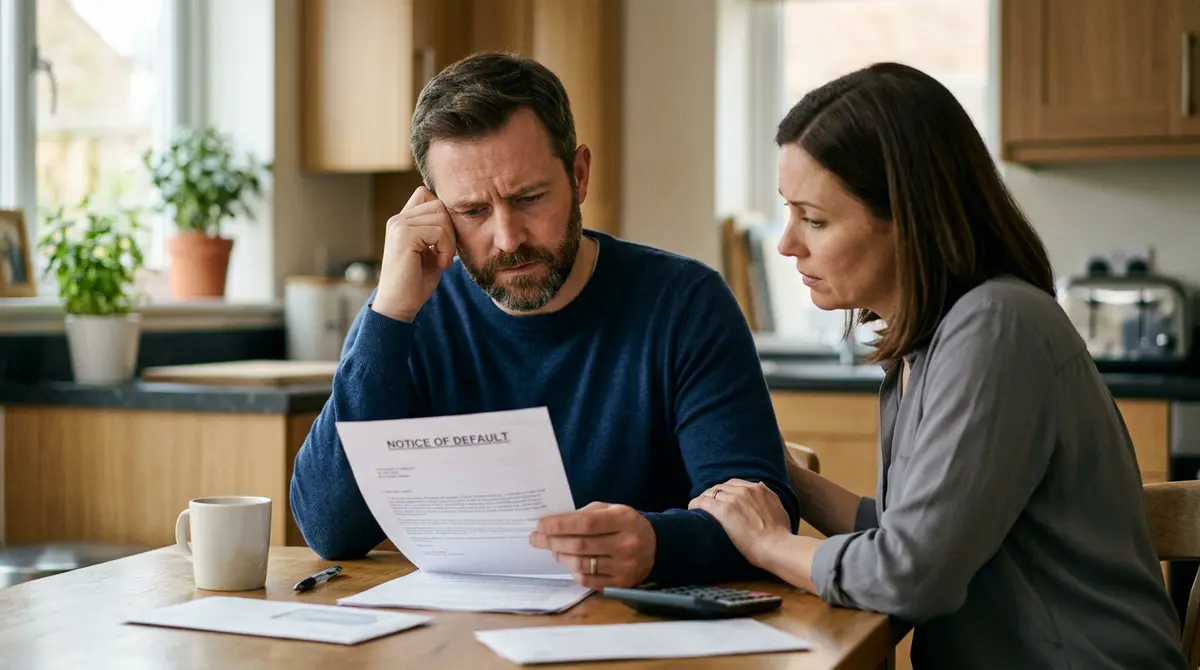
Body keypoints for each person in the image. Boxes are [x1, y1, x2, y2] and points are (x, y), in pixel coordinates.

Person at [690, 62, 1187, 669]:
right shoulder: (933, 342)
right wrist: (786, 479)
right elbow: (919, 532)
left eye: (815, 219)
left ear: (908, 218)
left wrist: (767, 543)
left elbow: (907, 574)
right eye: (789, 212)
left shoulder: (997, 328)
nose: (789, 243)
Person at [290, 51, 799, 589]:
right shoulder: (407, 315)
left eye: (528, 198)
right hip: (459, 641)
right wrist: (388, 316)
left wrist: (655, 546)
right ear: (437, 210)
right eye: (473, 212)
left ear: (578, 176)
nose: (508, 239)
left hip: (639, 636)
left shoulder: (686, 304)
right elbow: (330, 528)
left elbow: (764, 517)